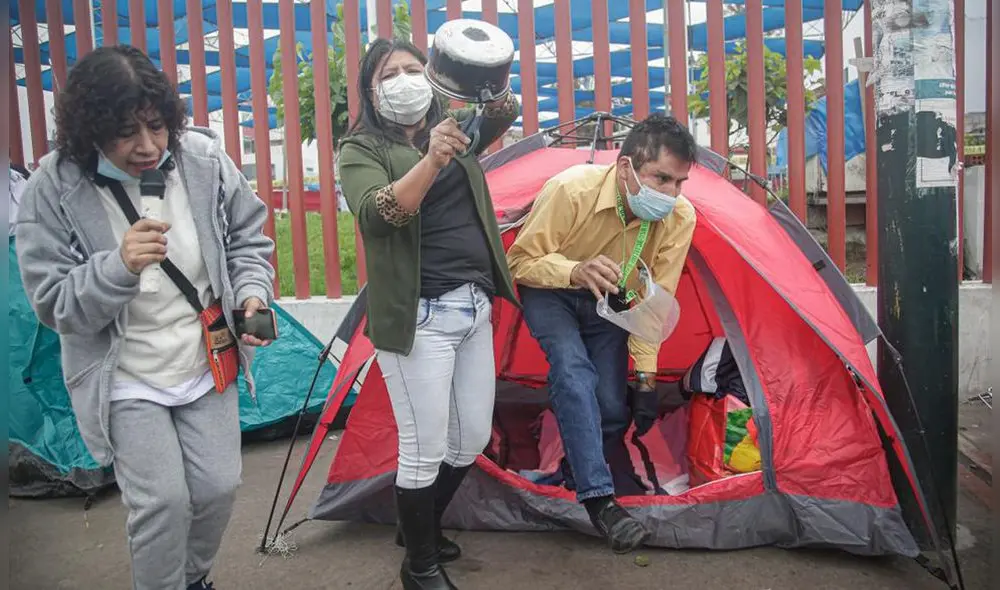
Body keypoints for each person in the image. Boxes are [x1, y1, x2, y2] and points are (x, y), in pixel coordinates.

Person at [15, 45, 275, 590]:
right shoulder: (53, 188)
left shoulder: (202, 160)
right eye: (127, 133)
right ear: (90, 132)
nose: (148, 147)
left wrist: (251, 292)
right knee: (162, 501)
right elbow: (53, 301)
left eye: (157, 127)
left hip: (205, 357)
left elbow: (249, 238)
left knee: (217, 488)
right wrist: (117, 267)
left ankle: (193, 578)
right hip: (124, 374)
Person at [337, 38, 520, 590]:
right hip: (417, 317)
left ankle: (417, 528)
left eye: (413, 69)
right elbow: (381, 214)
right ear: (371, 90)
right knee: (425, 445)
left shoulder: (457, 125)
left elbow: (505, 108)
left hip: (473, 308)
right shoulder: (361, 149)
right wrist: (432, 158)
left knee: (471, 438)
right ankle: (419, 565)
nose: (403, 80)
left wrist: (474, 72)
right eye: (388, 74)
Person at [506, 114, 698, 554]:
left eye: (680, 182)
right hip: (552, 290)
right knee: (573, 372)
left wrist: (646, 379)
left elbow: (655, 299)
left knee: (612, 406)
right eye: (661, 179)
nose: (670, 194)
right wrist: (574, 269)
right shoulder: (570, 189)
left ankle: (578, 461)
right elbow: (520, 261)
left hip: (609, 299)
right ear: (627, 167)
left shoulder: (679, 217)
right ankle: (599, 499)